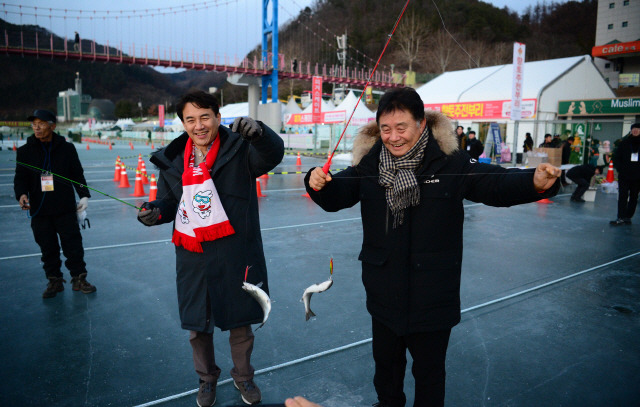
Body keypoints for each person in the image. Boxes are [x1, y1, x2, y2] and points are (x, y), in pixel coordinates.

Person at [304, 87, 561, 407]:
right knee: (386, 374)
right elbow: (336, 194)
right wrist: (317, 183)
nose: (393, 137)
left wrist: (532, 182)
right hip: (383, 295)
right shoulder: (369, 165)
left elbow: (493, 183)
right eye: (385, 129)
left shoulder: (448, 162)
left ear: (421, 124)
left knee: (429, 377)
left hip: (433, 297)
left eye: (402, 128)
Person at [136, 90, 284, 406]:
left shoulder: (241, 149)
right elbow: (168, 202)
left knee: (240, 322)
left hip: (235, 252)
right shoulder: (173, 159)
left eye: (205, 117)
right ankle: (206, 380)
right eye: (191, 119)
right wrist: (154, 212)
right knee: (197, 326)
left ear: (217, 116)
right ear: (183, 123)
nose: (199, 125)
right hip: (192, 255)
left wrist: (260, 135)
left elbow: (271, 156)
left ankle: (244, 379)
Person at [13, 109, 96, 298]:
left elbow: (77, 173)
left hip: (65, 207)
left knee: (73, 245)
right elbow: (20, 178)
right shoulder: (25, 152)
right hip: (40, 209)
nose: (37, 127)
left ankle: (79, 278)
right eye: (34, 124)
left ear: (53, 126)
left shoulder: (67, 149)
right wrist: (21, 195)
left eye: (41, 123)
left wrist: (83, 196)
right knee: (47, 247)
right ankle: (54, 281)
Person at [609, 122, 640, 226]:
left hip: (638, 177)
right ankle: (620, 217)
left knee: (634, 197)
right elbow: (616, 157)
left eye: (637, 129)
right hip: (624, 175)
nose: (635, 130)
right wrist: (620, 169)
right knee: (622, 196)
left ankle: (628, 217)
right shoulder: (624, 143)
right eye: (634, 129)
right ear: (631, 131)